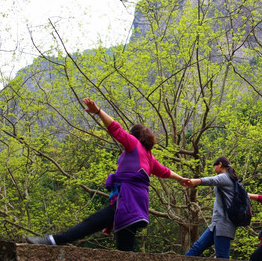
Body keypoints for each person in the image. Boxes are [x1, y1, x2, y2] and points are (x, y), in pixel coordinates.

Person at [26, 98, 187, 251]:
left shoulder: (133, 144)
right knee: (125, 247)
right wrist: (181, 179)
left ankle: (54, 241)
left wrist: (98, 112)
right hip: (138, 204)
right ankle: (54, 240)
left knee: (92, 222)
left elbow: (116, 129)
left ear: (134, 136)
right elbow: (165, 172)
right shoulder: (150, 157)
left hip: (128, 200)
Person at [183, 156, 238, 259]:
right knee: (196, 248)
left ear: (220, 164)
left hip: (224, 224)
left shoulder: (225, 177)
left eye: (214, 166)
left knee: (222, 256)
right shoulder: (231, 179)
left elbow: (212, 180)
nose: (214, 169)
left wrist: (195, 181)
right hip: (216, 224)